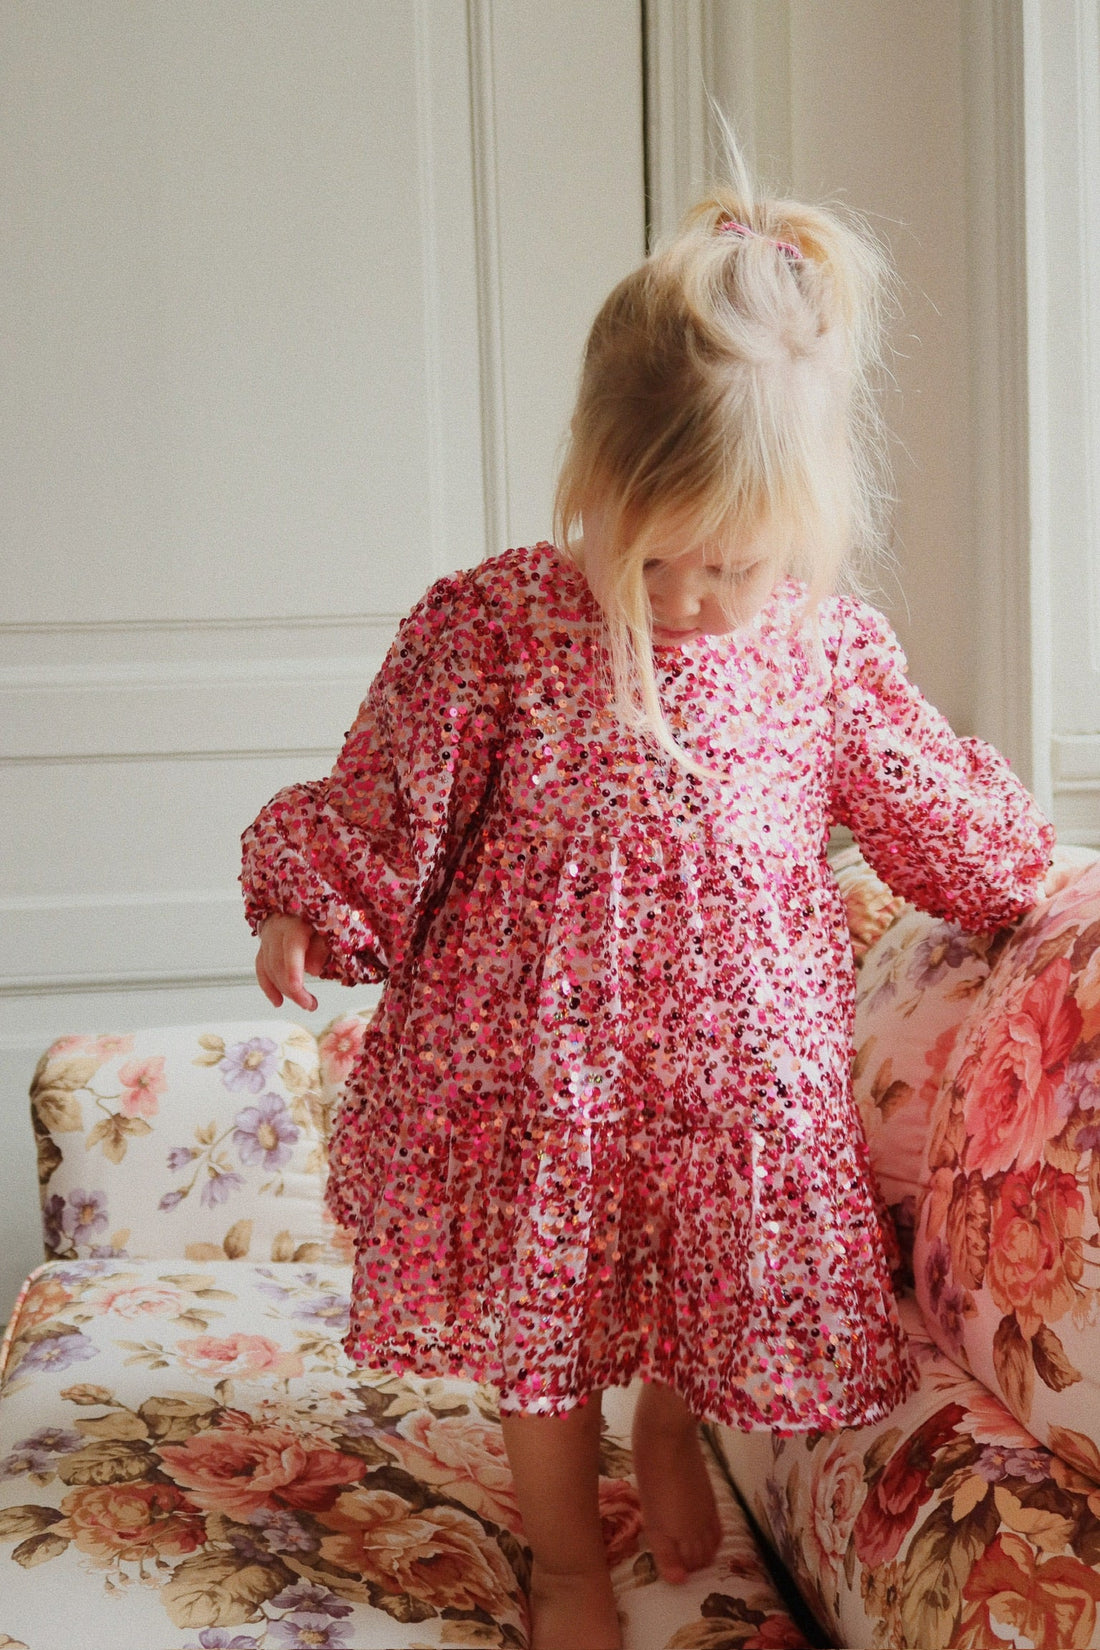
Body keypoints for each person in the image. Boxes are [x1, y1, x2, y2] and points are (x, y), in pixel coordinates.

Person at [241, 164, 1055, 1650]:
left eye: (729, 566)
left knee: (699, 1272)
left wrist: (1022, 886)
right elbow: (390, 793)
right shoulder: (495, 626)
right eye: (651, 549)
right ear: (588, 477)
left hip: (729, 1089)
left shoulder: (819, 653)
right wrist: (311, 900)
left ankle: (671, 1425)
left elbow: (926, 799)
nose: (682, 597)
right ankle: (562, 1552)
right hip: (535, 1078)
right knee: (543, 1333)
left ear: (800, 536)